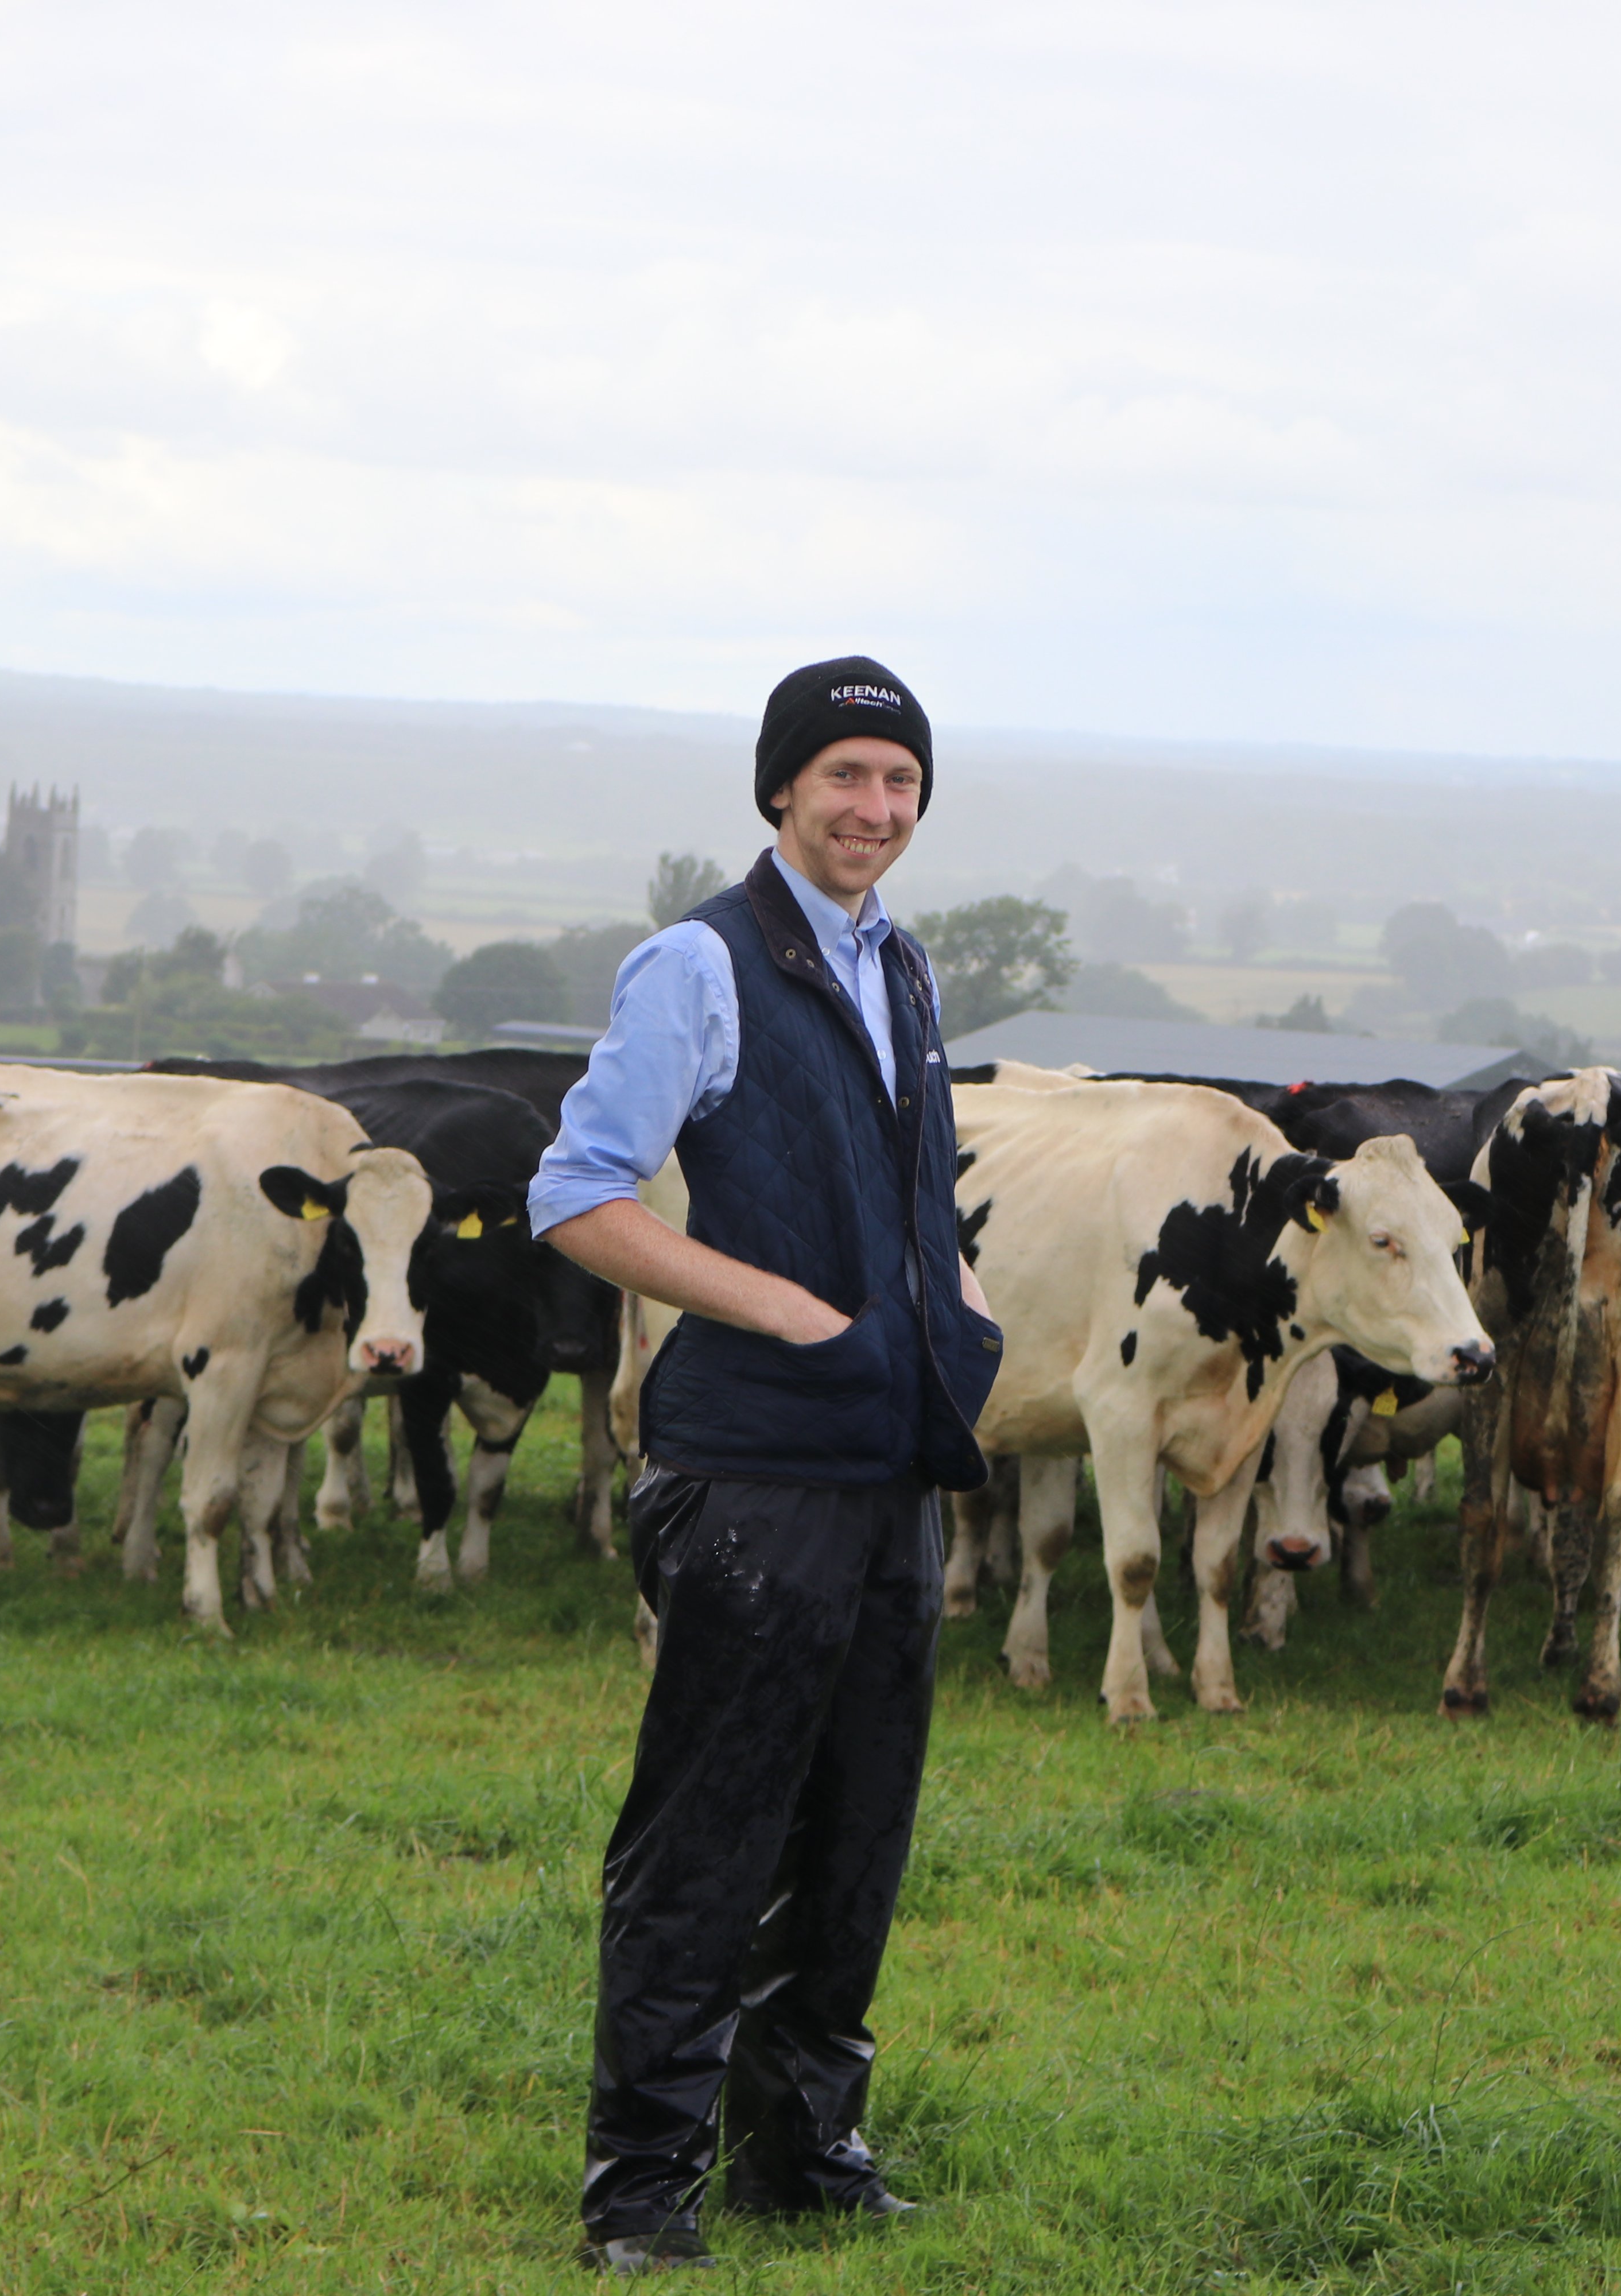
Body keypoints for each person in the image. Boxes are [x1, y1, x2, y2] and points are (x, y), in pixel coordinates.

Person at [531, 654, 1002, 2275]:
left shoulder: (905, 967)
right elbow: (579, 1197)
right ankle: (642, 2188)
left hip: (889, 1468)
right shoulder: (700, 965)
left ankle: (804, 2149)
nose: (874, 809)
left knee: (859, 1824)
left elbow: (921, 1191)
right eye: (846, 777)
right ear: (780, 789)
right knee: (710, 1835)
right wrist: (787, 1309)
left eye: (900, 784)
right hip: (751, 1477)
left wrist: (961, 1315)